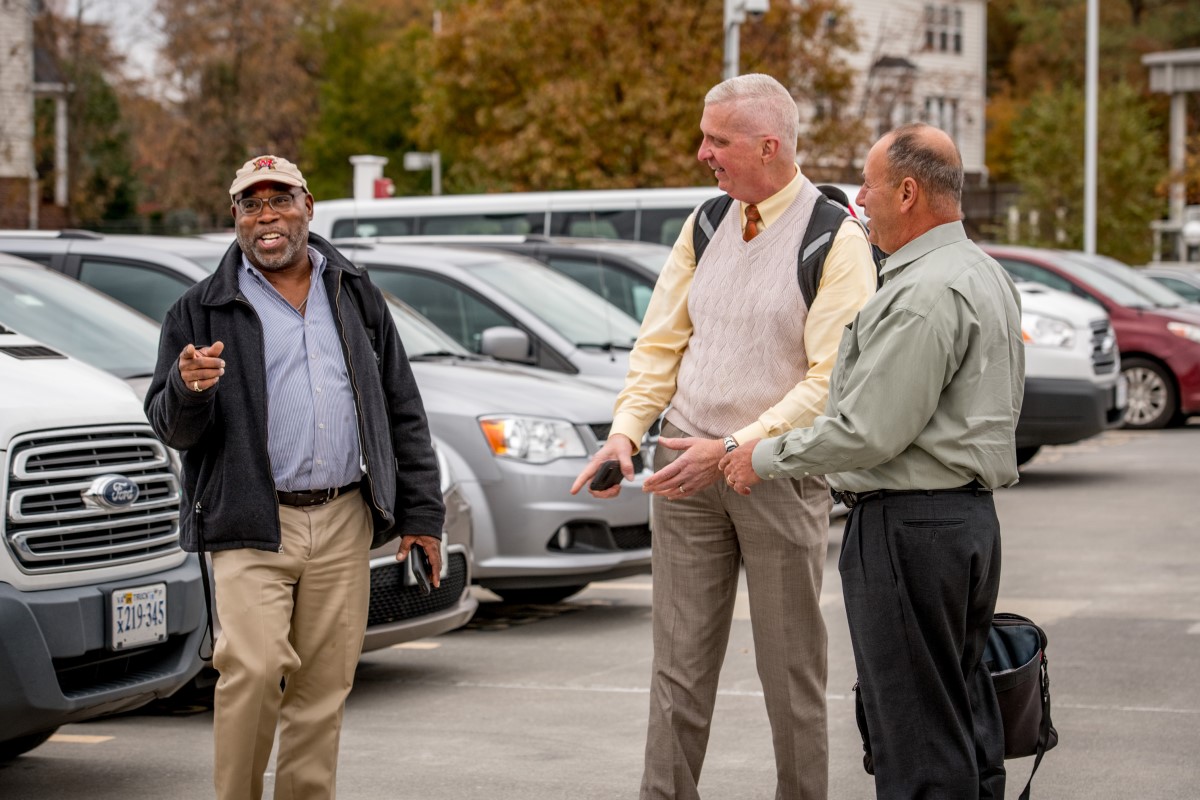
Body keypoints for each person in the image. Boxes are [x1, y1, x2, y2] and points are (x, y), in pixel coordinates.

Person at [571, 74, 877, 800]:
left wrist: (738, 447)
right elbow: (661, 343)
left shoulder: (836, 240)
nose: (701, 151)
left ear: (769, 146)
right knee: (676, 675)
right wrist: (624, 433)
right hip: (684, 469)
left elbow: (830, 382)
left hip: (773, 475)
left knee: (791, 677)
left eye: (717, 139)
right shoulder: (706, 222)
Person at [719, 123, 1024, 799]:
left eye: (869, 183)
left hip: (910, 527)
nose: (860, 198)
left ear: (909, 192)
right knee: (962, 716)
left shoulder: (923, 293)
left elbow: (867, 432)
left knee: (913, 732)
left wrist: (759, 455)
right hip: (965, 523)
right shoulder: (982, 273)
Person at [144, 155, 445, 800]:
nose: (267, 216)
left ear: (309, 206)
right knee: (251, 670)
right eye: (251, 205)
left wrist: (422, 518)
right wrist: (187, 388)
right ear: (236, 219)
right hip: (252, 520)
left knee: (323, 686)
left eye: (280, 200)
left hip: (343, 518)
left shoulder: (355, 291)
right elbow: (171, 427)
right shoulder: (199, 311)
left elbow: (401, 407)